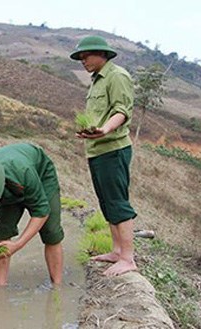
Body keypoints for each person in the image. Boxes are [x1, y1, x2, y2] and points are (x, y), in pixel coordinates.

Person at [70, 35, 137, 276]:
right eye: (80, 57)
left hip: (113, 149)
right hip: (97, 150)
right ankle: (117, 250)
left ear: (102, 54)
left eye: (86, 55)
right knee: (106, 201)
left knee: (118, 201)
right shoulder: (96, 81)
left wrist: (105, 130)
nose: (83, 60)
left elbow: (122, 110)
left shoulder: (117, 76)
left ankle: (128, 258)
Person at [0, 143, 64, 287]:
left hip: (40, 175)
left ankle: (57, 286)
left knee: (51, 232)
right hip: (7, 183)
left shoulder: (23, 171)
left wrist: (18, 244)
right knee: (2, 233)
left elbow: (41, 211)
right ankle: (1, 287)